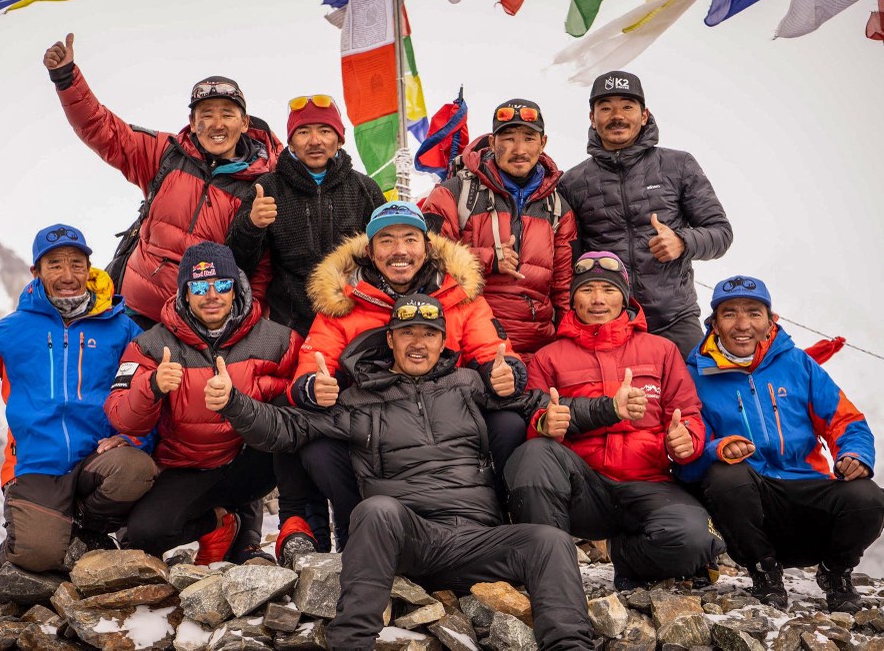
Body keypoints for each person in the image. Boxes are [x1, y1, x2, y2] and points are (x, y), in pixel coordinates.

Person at [206, 294, 595, 649]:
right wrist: (233, 402)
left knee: (550, 540)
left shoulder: (468, 384)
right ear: (390, 339)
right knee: (377, 510)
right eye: (407, 332)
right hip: (413, 543)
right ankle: (351, 642)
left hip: (481, 539)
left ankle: (569, 645)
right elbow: (285, 428)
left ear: (443, 341)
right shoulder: (358, 400)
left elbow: (542, 406)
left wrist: (606, 408)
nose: (418, 343)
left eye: (429, 333)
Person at [289, 201, 528, 546]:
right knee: (317, 447)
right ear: (370, 252)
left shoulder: (459, 293)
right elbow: (314, 363)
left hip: (448, 422)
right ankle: (355, 527)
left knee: (509, 424)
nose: (399, 250)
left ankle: (502, 515)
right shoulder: (341, 301)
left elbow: (493, 349)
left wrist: (504, 374)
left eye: (410, 239)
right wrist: (314, 387)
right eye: (386, 241)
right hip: (374, 427)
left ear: (427, 248)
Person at [0, 224, 157, 573]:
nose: (68, 275)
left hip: (97, 459)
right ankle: (41, 536)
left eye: (76, 264)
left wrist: (134, 438)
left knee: (136, 470)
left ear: (89, 268)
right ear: (36, 272)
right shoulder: (14, 329)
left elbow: (148, 387)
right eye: (55, 264)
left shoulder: (120, 327)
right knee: (37, 558)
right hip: (34, 466)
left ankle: (83, 527)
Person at [505, 252, 725, 590]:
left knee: (693, 540)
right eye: (587, 289)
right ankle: (550, 572)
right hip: (583, 487)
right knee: (533, 455)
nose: (597, 299)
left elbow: (689, 415)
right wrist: (544, 426)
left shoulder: (662, 351)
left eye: (608, 290)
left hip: (649, 483)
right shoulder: (548, 357)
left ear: (624, 297)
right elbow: (534, 419)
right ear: (573, 299)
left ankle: (628, 556)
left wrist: (686, 441)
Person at [42, 34, 282, 327]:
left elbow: (261, 272)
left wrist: (242, 330)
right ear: (193, 123)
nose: (217, 124)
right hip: (133, 317)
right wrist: (67, 78)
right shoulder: (166, 154)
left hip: (201, 329)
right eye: (206, 115)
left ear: (244, 123)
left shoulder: (262, 184)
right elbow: (103, 129)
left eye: (227, 115)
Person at [677, 275, 884, 612]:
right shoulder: (694, 374)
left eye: (753, 313)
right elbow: (688, 459)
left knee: (868, 497)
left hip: (809, 491)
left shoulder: (798, 363)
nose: (742, 324)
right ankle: (765, 574)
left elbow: (846, 421)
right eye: (729, 313)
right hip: (749, 508)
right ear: (713, 323)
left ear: (771, 320)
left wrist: (855, 455)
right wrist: (718, 449)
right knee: (724, 477)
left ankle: (835, 572)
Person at [105, 242, 302, 564]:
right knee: (145, 533)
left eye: (221, 285)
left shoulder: (278, 340)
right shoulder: (151, 346)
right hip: (188, 466)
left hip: (252, 462)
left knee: (293, 418)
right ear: (184, 293)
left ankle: (291, 533)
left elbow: (298, 405)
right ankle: (220, 523)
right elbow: (121, 417)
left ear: (236, 288)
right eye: (199, 287)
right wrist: (152, 387)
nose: (212, 295)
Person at [558, 71, 733, 359]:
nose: (617, 116)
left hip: (675, 320)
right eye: (606, 108)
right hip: (608, 325)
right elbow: (568, 258)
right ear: (592, 118)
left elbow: (721, 233)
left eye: (627, 106)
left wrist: (682, 241)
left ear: (644, 115)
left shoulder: (678, 165)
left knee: (697, 387)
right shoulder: (572, 183)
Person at [421, 99, 576, 361]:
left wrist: (568, 348)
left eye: (529, 139)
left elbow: (564, 290)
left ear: (543, 143)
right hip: (470, 345)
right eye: (509, 139)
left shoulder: (559, 208)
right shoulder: (452, 193)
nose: (519, 150)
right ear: (492, 143)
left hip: (538, 349)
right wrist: (489, 259)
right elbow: (425, 260)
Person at [227, 93, 386, 335]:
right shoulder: (268, 188)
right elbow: (238, 264)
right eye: (303, 132)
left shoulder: (364, 189)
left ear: (340, 140)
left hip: (355, 322)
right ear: (291, 143)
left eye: (325, 131)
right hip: (289, 327)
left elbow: (387, 254)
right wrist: (252, 225)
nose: (314, 141)